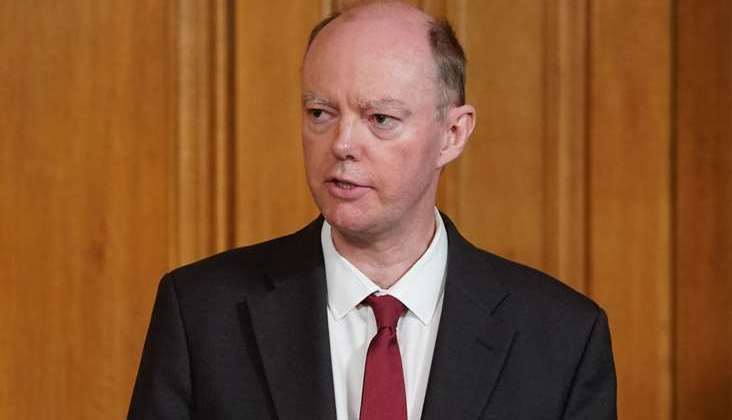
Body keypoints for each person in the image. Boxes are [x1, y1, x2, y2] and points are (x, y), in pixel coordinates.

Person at [128, 1, 616, 419]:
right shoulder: (200, 313)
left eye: (380, 119)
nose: (341, 144)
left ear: (453, 134)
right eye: (321, 113)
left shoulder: (563, 337)